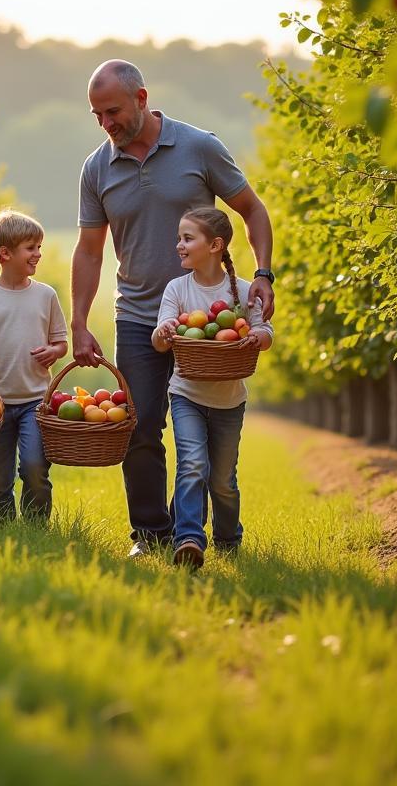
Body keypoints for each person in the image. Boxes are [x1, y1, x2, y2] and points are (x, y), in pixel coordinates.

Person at [71, 59, 275, 557]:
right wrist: (78, 319)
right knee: (139, 424)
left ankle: (206, 531)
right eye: (97, 115)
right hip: (139, 315)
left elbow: (252, 209)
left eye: (113, 111)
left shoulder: (198, 146)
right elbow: (90, 250)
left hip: (205, 319)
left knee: (208, 430)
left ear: (142, 99)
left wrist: (264, 273)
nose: (106, 123)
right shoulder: (97, 167)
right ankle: (151, 535)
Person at [152, 208, 273, 568]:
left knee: (222, 480)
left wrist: (257, 337)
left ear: (216, 245)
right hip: (186, 393)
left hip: (229, 400)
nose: (179, 245)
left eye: (187, 238)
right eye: (179, 238)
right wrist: (165, 331)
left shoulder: (244, 291)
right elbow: (161, 339)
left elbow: (265, 331)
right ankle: (188, 537)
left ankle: (228, 537)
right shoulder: (177, 288)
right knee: (191, 464)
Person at [0, 210, 68, 520]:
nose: (38, 254)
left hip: (36, 400)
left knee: (35, 467)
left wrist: (54, 351)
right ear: (5, 253)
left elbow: (61, 342)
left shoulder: (45, 295)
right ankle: (1, 526)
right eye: (31, 247)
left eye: (39, 246)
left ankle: (35, 526)